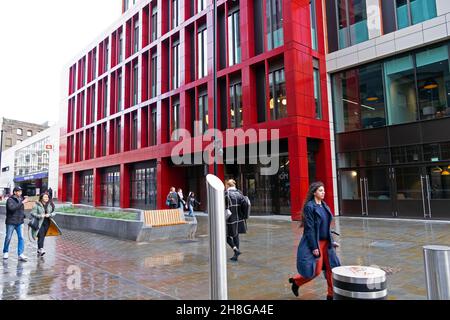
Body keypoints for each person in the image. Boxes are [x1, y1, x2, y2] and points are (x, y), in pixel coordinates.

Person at [288, 182, 341, 300]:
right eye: (321, 190)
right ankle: (296, 282)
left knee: (331, 269)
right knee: (315, 271)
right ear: (314, 192)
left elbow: (327, 227)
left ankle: (331, 295)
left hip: (327, 244)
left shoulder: (324, 206)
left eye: (324, 190)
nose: (324, 192)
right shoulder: (310, 207)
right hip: (316, 243)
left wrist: (332, 241)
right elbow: (309, 229)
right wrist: (314, 247)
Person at [30, 193, 61, 257]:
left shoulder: (50, 204)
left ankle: (39, 249)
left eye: (47, 197)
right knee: (41, 235)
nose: (46, 198)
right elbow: (32, 213)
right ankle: (41, 249)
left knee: (42, 236)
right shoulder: (37, 204)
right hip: (39, 222)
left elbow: (54, 212)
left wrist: (49, 215)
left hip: (47, 222)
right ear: (41, 198)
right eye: (45, 197)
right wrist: (40, 216)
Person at [3, 186, 29, 262]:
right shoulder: (10, 200)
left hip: (20, 222)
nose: (20, 193)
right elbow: (12, 209)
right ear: (15, 192)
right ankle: (5, 251)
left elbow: (20, 209)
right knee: (8, 237)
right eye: (19, 191)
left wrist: (23, 215)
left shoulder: (21, 199)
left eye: (21, 191)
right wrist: (22, 202)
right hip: (11, 222)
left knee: (21, 238)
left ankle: (20, 254)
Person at [224, 179, 248, 262]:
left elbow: (224, 206)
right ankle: (236, 255)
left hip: (230, 219)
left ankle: (235, 250)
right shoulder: (239, 193)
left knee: (225, 236)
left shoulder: (227, 194)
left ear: (227, 185)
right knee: (236, 236)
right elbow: (244, 204)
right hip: (239, 218)